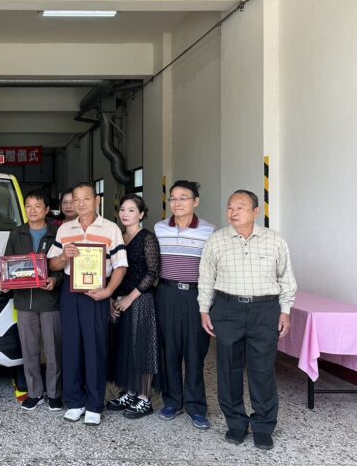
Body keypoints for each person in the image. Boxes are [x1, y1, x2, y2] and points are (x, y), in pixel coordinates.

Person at [198, 190, 296, 450]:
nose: (233, 212)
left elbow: (286, 278)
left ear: (255, 212)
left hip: (264, 310)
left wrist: (285, 310)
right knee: (228, 368)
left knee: (262, 369)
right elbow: (206, 278)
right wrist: (204, 310)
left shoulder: (274, 241)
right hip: (227, 309)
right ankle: (236, 423)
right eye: (230, 207)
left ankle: (263, 425)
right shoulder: (216, 240)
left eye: (240, 207)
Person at [47, 182, 127, 426]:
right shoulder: (64, 229)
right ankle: (74, 401)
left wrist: (108, 291)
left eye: (86, 199)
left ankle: (94, 404)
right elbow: (53, 264)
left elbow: (120, 264)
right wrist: (63, 256)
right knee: (71, 346)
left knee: (95, 347)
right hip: (71, 292)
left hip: (97, 292)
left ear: (97, 201)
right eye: (76, 199)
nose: (80, 204)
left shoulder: (111, 229)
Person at [153, 180, 215, 429]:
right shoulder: (159, 228)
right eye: (173, 198)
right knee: (169, 351)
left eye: (183, 197)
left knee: (195, 352)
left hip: (195, 296)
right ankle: (172, 402)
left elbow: (212, 269)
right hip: (166, 293)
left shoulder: (209, 231)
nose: (177, 203)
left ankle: (196, 406)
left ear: (195, 201)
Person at [3, 190, 63, 412]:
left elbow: (64, 267)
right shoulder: (16, 234)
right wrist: (4, 281)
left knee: (53, 348)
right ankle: (35, 392)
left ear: (47, 210)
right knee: (29, 351)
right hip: (24, 301)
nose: (32, 210)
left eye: (37, 206)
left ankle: (55, 393)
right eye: (28, 206)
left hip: (49, 301)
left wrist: (55, 281)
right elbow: (8, 264)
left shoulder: (57, 234)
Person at [106, 193, 160, 419]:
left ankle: (145, 399)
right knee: (124, 347)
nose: (125, 214)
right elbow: (108, 269)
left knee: (142, 348)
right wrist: (111, 297)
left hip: (141, 300)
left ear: (142, 214)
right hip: (118, 300)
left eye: (131, 210)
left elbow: (153, 273)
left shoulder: (147, 238)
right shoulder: (117, 238)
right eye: (122, 210)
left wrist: (130, 298)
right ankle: (129, 392)